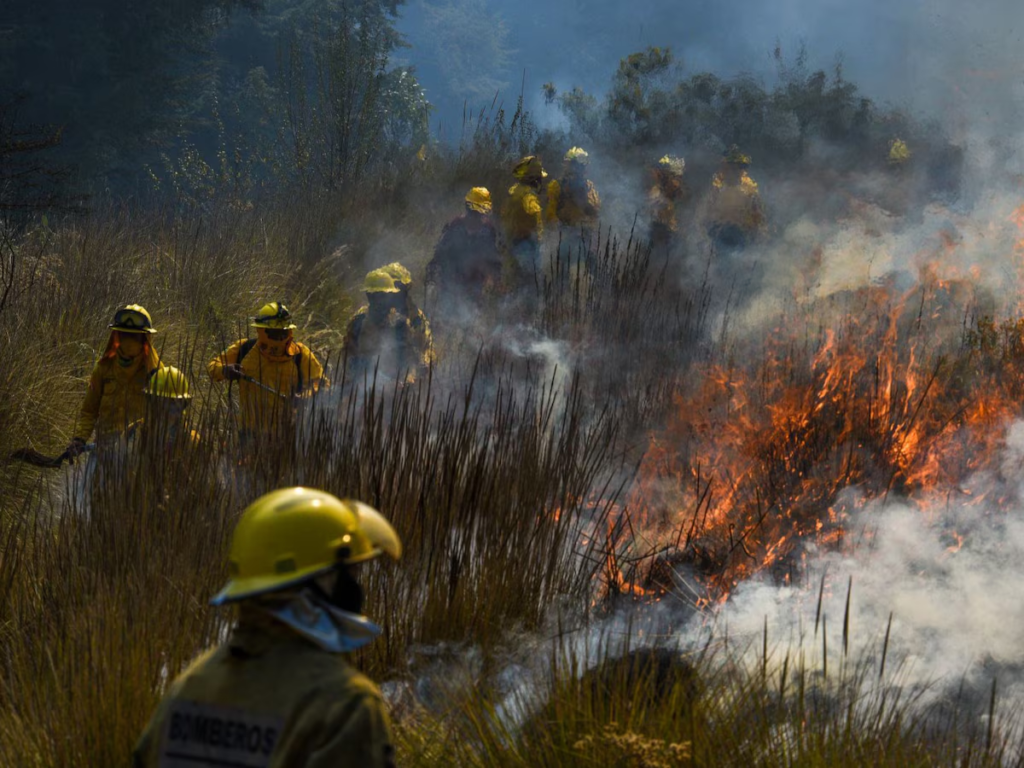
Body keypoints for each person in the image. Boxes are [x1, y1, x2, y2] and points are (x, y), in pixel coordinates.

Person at [132, 486, 401, 768]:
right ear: (315, 582)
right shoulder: (344, 705)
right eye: (349, 574)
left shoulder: (188, 688)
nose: (355, 589)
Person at [208, 302, 324, 442]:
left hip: (287, 437)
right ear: (261, 331)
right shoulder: (245, 349)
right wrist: (225, 370)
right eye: (275, 333)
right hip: (249, 436)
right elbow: (212, 366)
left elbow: (320, 383)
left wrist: (305, 397)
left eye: (284, 333)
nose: (281, 338)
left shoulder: (300, 354)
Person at [68, 304, 161, 457]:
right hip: (102, 452)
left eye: (135, 336)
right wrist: (79, 439)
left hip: (139, 454)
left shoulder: (156, 374)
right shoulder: (103, 369)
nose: (129, 342)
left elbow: (169, 414)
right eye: (125, 335)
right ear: (117, 337)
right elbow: (89, 411)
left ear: (145, 339)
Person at [343, 269, 434, 384]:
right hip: (364, 387)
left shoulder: (400, 323)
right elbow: (351, 360)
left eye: (383, 296)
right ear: (368, 296)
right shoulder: (358, 322)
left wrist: (406, 379)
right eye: (375, 295)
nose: (380, 301)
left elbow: (411, 357)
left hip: (396, 388)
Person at [425, 187, 503, 317]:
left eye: (480, 213)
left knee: (472, 320)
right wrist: (434, 270)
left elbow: (493, 258)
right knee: (449, 318)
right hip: (451, 282)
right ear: (468, 209)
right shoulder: (455, 226)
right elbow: (440, 252)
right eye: (474, 212)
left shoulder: (488, 231)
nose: (478, 216)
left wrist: (495, 278)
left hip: (475, 284)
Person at [706, 145, 766, 250]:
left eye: (736, 168)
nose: (732, 171)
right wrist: (714, 229)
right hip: (719, 240)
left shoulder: (750, 192)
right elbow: (707, 215)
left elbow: (758, 219)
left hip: (742, 241)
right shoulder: (717, 191)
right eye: (729, 168)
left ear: (741, 170)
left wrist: (755, 236)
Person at [129, 366, 201, 454]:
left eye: (173, 404)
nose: (166, 412)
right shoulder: (133, 433)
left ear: (182, 406)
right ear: (151, 402)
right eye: (160, 403)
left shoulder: (192, 442)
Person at [501, 155, 547, 277]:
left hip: (513, 243)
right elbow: (534, 222)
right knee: (530, 282)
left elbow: (505, 216)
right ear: (534, 178)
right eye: (539, 177)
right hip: (525, 246)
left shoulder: (514, 191)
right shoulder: (528, 196)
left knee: (515, 280)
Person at [546, 146, 601, 240]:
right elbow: (551, 214)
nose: (577, 169)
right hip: (566, 233)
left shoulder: (589, 185)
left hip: (585, 233)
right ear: (568, 165)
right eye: (574, 165)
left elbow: (596, 210)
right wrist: (559, 233)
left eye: (581, 166)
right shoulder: (556, 185)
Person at [647, 155, 689, 256]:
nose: (677, 182)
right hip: (660, 233)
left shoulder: (676, 194)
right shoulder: (656, 192)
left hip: (670, 235)